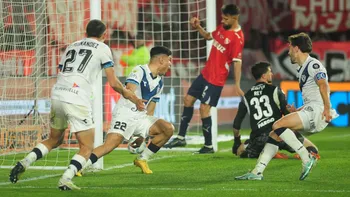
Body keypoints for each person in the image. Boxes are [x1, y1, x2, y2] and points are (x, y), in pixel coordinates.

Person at [9, 19, 145, 190]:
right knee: (87, 147)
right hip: (77, 97)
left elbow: (64, 70)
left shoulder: (72, 46)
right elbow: (114, 83)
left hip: (58, 93)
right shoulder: (103, 48)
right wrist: (132, 97)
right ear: (104, 34)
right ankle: (65, 179)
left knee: (54, 139)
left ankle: (25, 162)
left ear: (86, 32)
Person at [235, 32, 338, 181]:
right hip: (311, 110)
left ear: (296, 48)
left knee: (277, 125)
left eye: (289, 48)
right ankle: (257, 171)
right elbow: (314, 93)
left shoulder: (313, 64)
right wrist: (300, 110)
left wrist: (327, 108)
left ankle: (306, 157)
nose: (288, 52)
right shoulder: (302, 68)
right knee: (274, 134)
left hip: (318, 112)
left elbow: (324, 85)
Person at [78, 46, 174, 175]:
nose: (170, 64)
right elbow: (128, 89)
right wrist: (137, 101)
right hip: (125, 113)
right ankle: (80, 166)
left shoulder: (160, 82)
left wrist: (143, 135)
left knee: (168, 129)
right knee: (111, 144)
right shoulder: (140, 71)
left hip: (141, 117)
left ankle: (142, 159)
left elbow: (151, 108)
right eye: (169, 60)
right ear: (161, 60)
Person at [164, 4, 245, 153]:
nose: (223, 20)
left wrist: (238, 84)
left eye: (226, 18)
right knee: (188, 99)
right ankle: (181, 138)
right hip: (206, 73)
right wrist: (198, 27)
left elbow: (237, 62)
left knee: (204, 109)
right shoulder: (222, 28)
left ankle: (208, 146)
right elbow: (209, 36)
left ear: (235, 18)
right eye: (222, 17)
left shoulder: (237, 38)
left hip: (216, 79)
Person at [232, 62, 319, 159]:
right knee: (313, 148)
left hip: (258, 140)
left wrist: (236, 141)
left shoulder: (246, 96)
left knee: (240, 151)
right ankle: (299, 154)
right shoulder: (276, 90)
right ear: (264, 76)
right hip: (280, 135)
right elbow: (287, 117)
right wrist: (294, 113)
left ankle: (268, 152)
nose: (272, 74)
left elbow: (236, 124)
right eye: (270, 71)